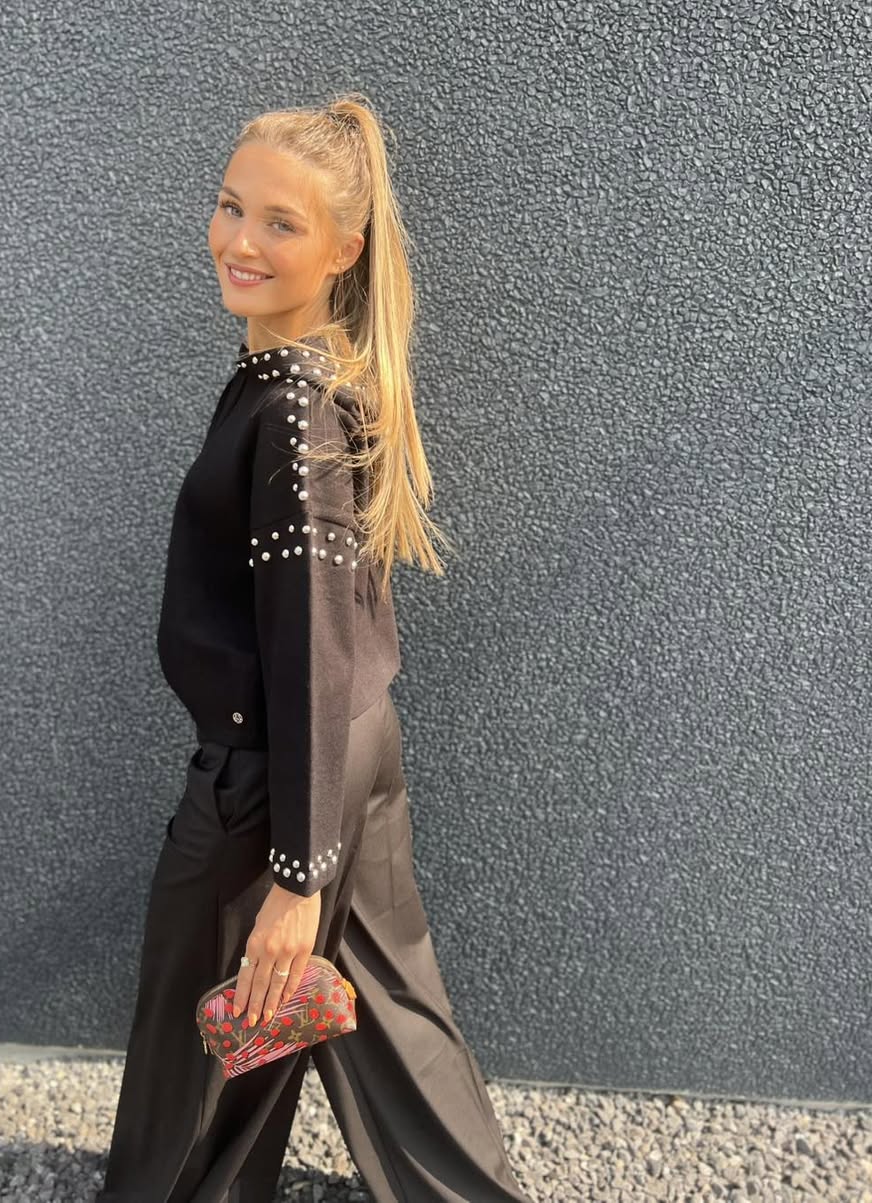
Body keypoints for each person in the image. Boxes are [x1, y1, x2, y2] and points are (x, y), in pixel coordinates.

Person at [96, 92, 533, 1203]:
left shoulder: (292, 410)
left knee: (202, 1040)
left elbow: (304, 644)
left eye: (280, 223)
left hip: (277, 772)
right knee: (397, 1020)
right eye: (231, 206)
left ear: (343, 249)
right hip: (351, 743)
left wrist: (297, 874)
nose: (239, 240)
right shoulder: (303, 380)